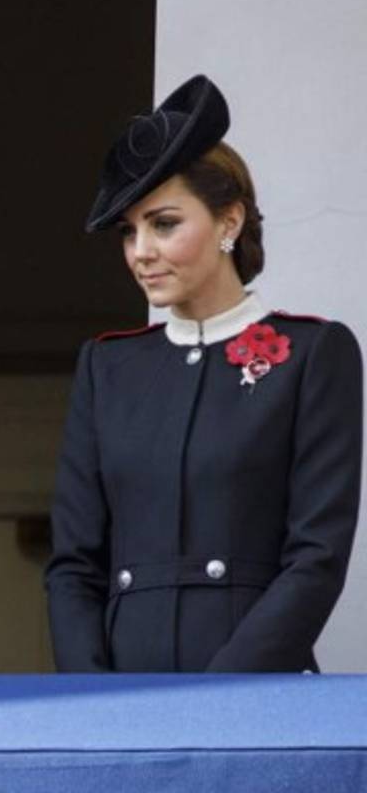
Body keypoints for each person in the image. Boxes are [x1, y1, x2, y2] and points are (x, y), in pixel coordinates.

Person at [45, 75, 363, 672]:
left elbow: (316, 557)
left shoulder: (314, 354)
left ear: (228, 223)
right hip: (121, 698)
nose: (141, 250)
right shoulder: (106, 367)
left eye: (163, 224)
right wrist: (90, 697)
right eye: (129, 231)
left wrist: (220, 699)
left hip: (255, 692)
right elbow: (73, 564)